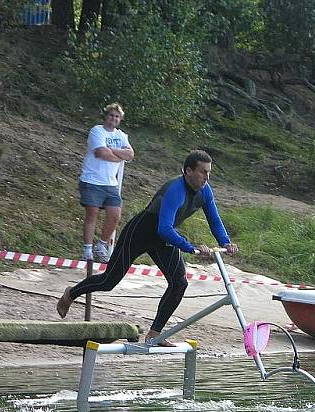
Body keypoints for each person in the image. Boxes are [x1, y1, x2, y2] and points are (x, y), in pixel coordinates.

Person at [57, 150, 239, 346]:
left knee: (179, 283)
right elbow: (164, 228)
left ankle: (154, 334)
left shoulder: (205, 191)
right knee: (109, 281)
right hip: (140, 233)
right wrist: (190, 247)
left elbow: (214, 219)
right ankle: (71, 293)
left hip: (162, 239)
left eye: (209, 173)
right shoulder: (175, 190)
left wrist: (225, 242)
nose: (207, 177)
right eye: (203, 172)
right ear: (188, 171)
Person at [78, 103, 134, 263]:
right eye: (111, 115)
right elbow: (101, 152)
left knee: (115, 215)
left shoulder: (122, 135)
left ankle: (101, 246)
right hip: (92, 179)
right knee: (92, 214)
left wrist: (112, 151)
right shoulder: (97, 131)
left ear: (120, 119)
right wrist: (117, 155)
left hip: (110, 183)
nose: (113, 118)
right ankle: (87, 250)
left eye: (117, 116)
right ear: (106, 116)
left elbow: (130, 154)